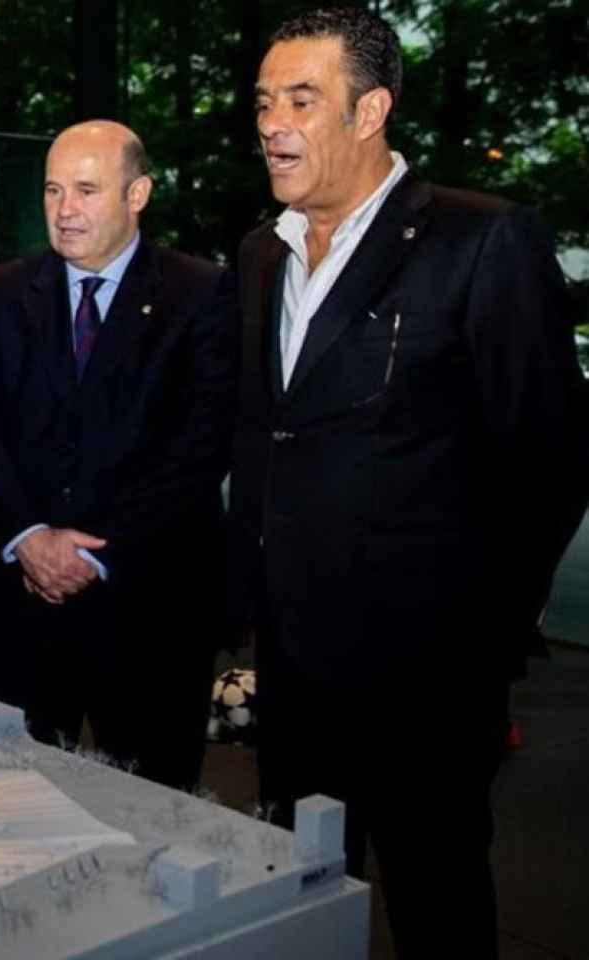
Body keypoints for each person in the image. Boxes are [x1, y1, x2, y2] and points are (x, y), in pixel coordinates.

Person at [229, 8, 589, 955]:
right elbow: (268, 437)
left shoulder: (482, 242)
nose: (273, 123)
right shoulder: (261, 254)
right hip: (293, 674)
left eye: (302, 100)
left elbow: (550, 461)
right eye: (266, 101)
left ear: (370, 110)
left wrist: (476, 644)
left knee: (437, 908)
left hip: (427, 689)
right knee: (299, 904)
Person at [0, 120, 235, 790]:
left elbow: (199, 448)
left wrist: (90, 553)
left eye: (85, 190)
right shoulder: (3, 292)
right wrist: (31, 538)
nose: (64, 210)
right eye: (52, 190)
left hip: (150, 616)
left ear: (138, 194)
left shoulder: (201, 294)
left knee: (154, 825)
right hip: (23, 611)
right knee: (20, 814)